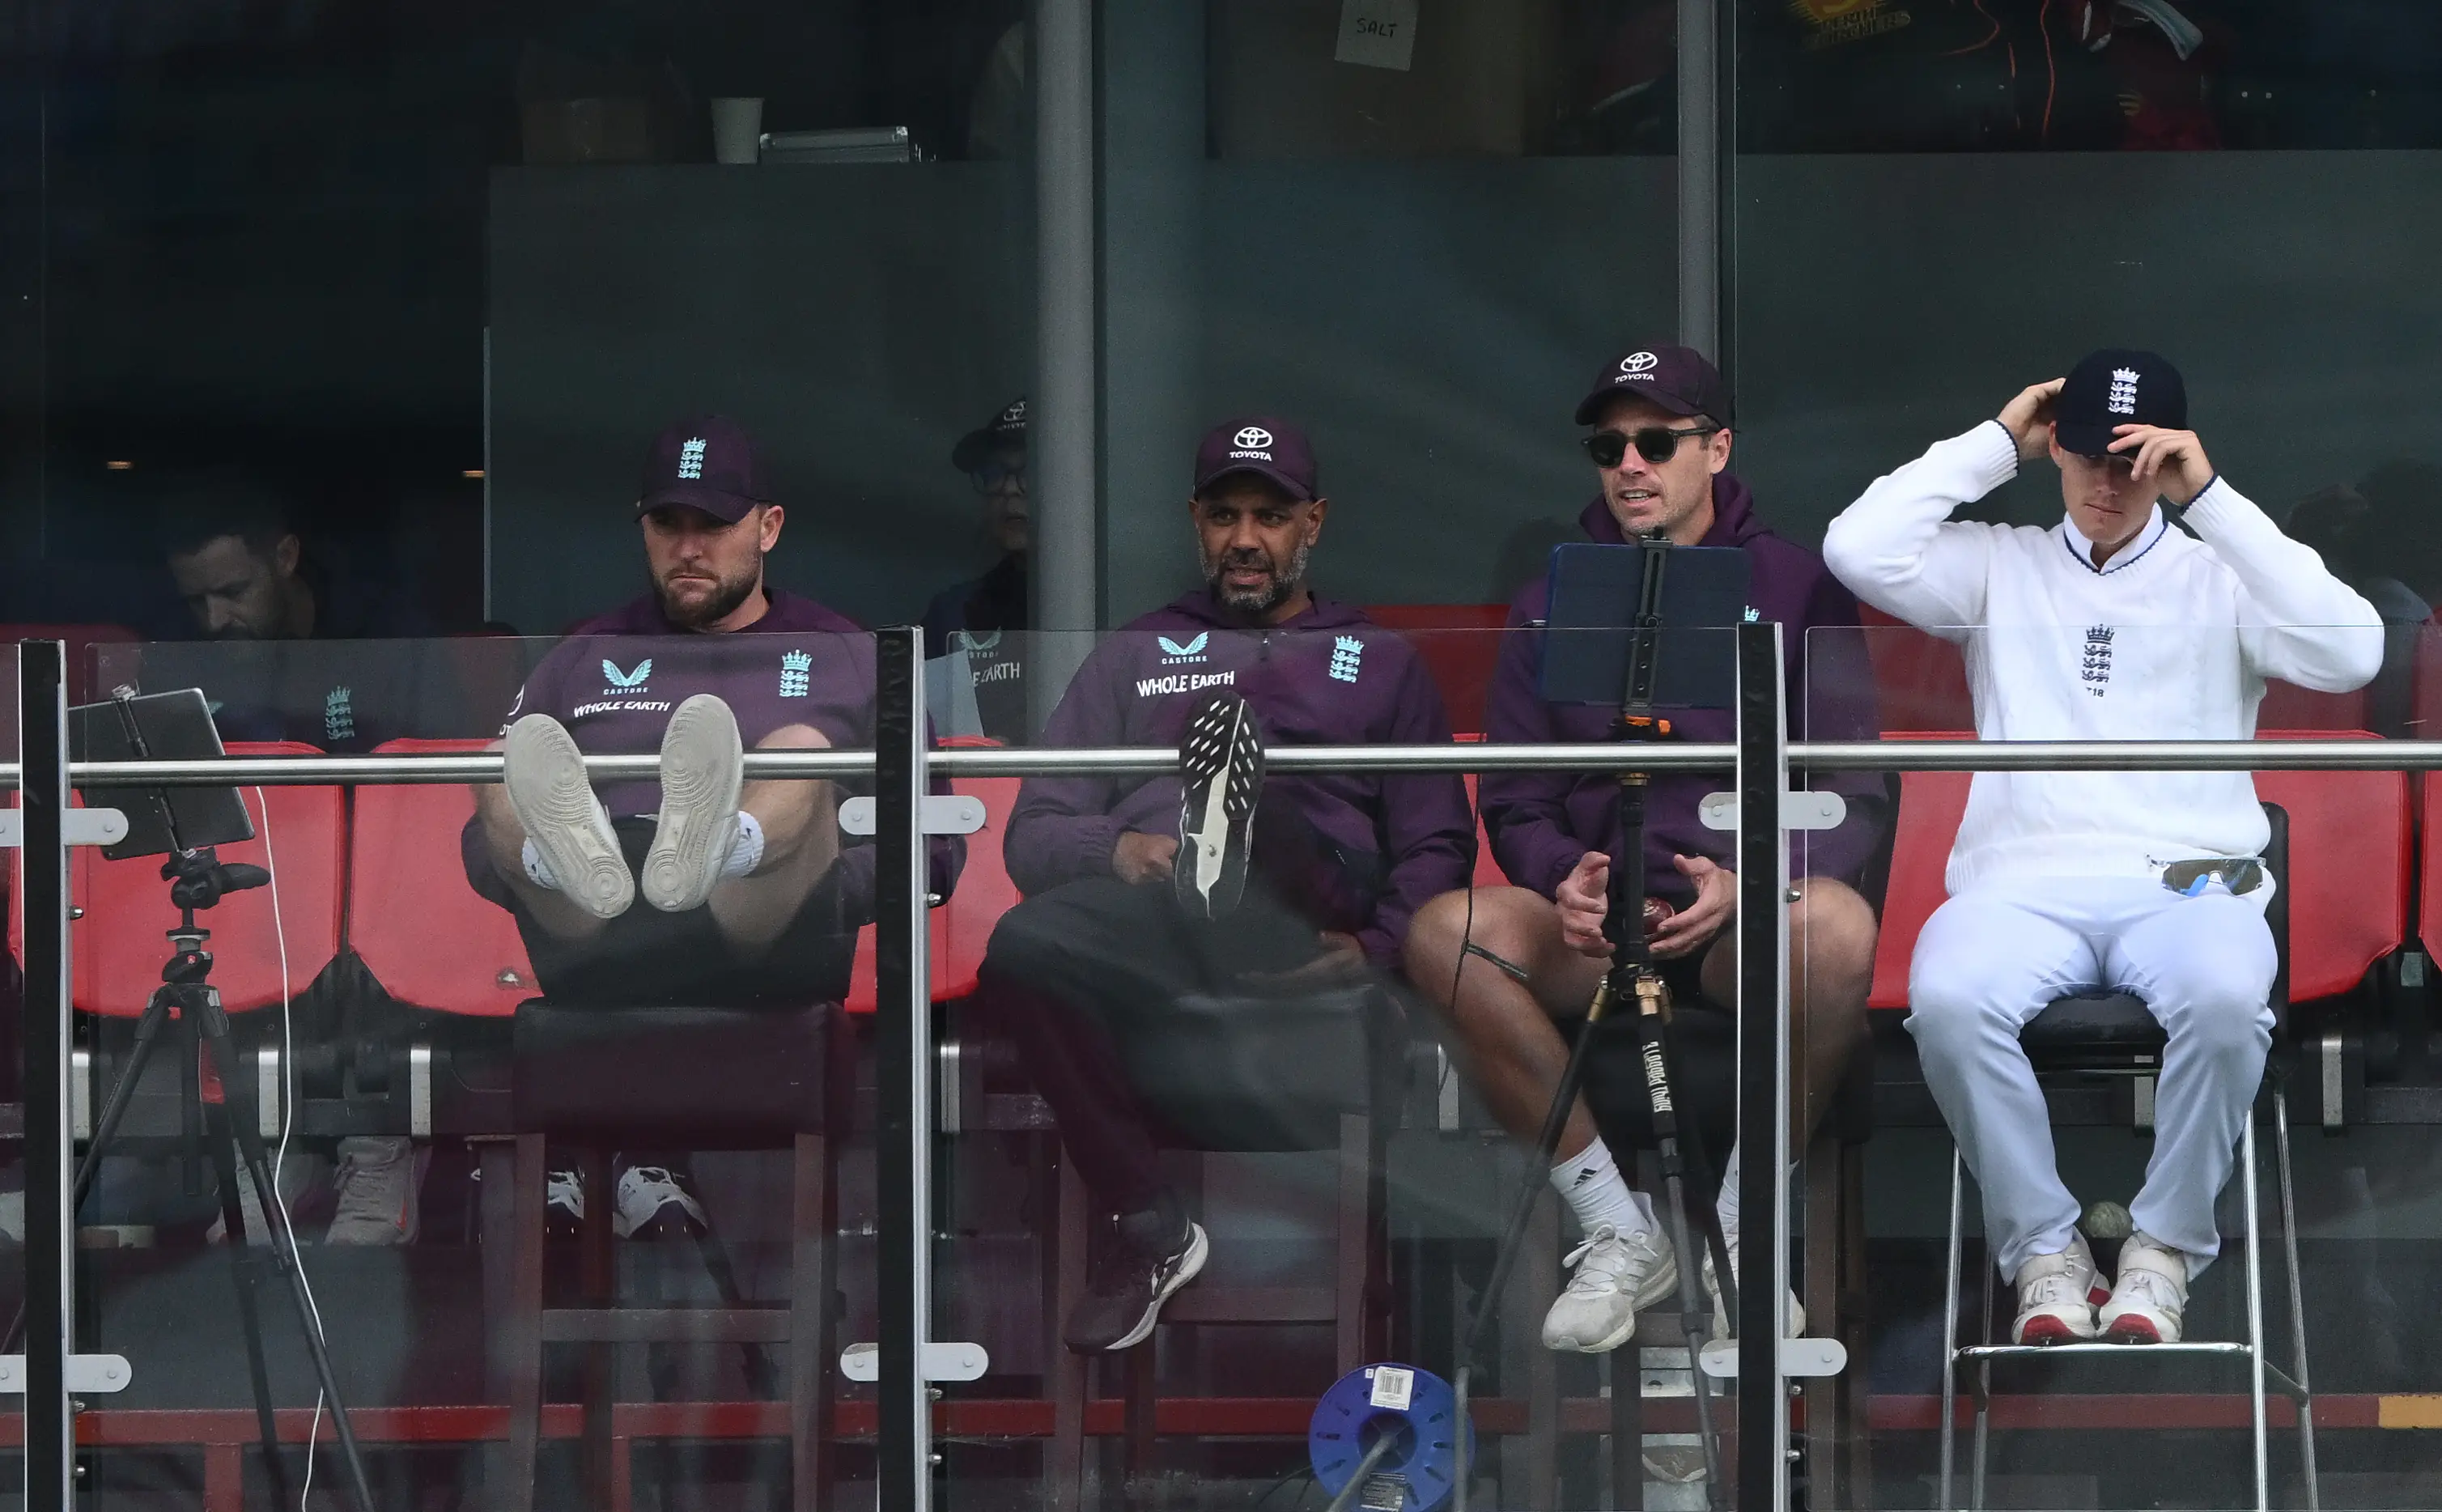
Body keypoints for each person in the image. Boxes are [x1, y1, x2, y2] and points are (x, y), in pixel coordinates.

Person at [1822, 350, 2382, 1344]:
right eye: (2087, 453)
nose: (2107, 481)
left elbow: (2353, 649)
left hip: (2191, 877)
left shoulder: (2221, 571)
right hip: (2019, 882)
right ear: (2056, 447)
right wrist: (1995, 439)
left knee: (2224, 996)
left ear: (2169, 459)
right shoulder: (1998, 564)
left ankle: (2162, 1248)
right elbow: (1855, 546)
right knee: (1946, 999)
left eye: (2133, 460)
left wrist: (2210, 498)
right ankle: (2043, 1249)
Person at [1402, 345, 1885, 1354]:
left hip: (1736, 928)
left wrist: (1753, 879)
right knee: (1446, 932)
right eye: (1609, 445)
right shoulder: (1548, 596)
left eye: (1656, 441)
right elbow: (1516, 794)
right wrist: (1560, 878)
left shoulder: (1796, 582)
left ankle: (1744, 1229)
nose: (1629, 463)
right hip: (1594, 933)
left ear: (1717, 448)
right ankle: (1618, 1229)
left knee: (1837, 928)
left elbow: (1855, 794)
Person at [979, 417, 1475, 1352]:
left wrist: (1373, 947)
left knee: (1277, 817)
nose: (1244, 538)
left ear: (1312, 522)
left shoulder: (1375, 657)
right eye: (1223, 515)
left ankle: (1235, 830)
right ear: (1194, 521)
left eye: (1269, 516)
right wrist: (1122, 850)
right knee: (1022, 944)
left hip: (1305, 911)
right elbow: (1032, 831)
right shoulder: (1134, 652)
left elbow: (1435, 843)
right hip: (1161, 916)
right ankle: (1150, 1223)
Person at [464, 414, 962, 1236]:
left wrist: (828, 887)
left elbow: (936, 843)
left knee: (798, 751)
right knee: (504, 757)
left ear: (768, 527)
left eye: (714, 524)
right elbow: (479, 847)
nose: (688, 548)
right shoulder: (583, 652)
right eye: (668, 524)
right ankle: (578, 858)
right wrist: (531, 863)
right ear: (642, 528)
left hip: (766, 929)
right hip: (601, 927)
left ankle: (720, 844)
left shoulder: (843, 651)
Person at [921, 396, 1031, 741]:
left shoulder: (1114, 605)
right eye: (993, 474)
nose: (1009, 489)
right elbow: (938, 747)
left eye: (1031, 472)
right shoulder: (953, 615)